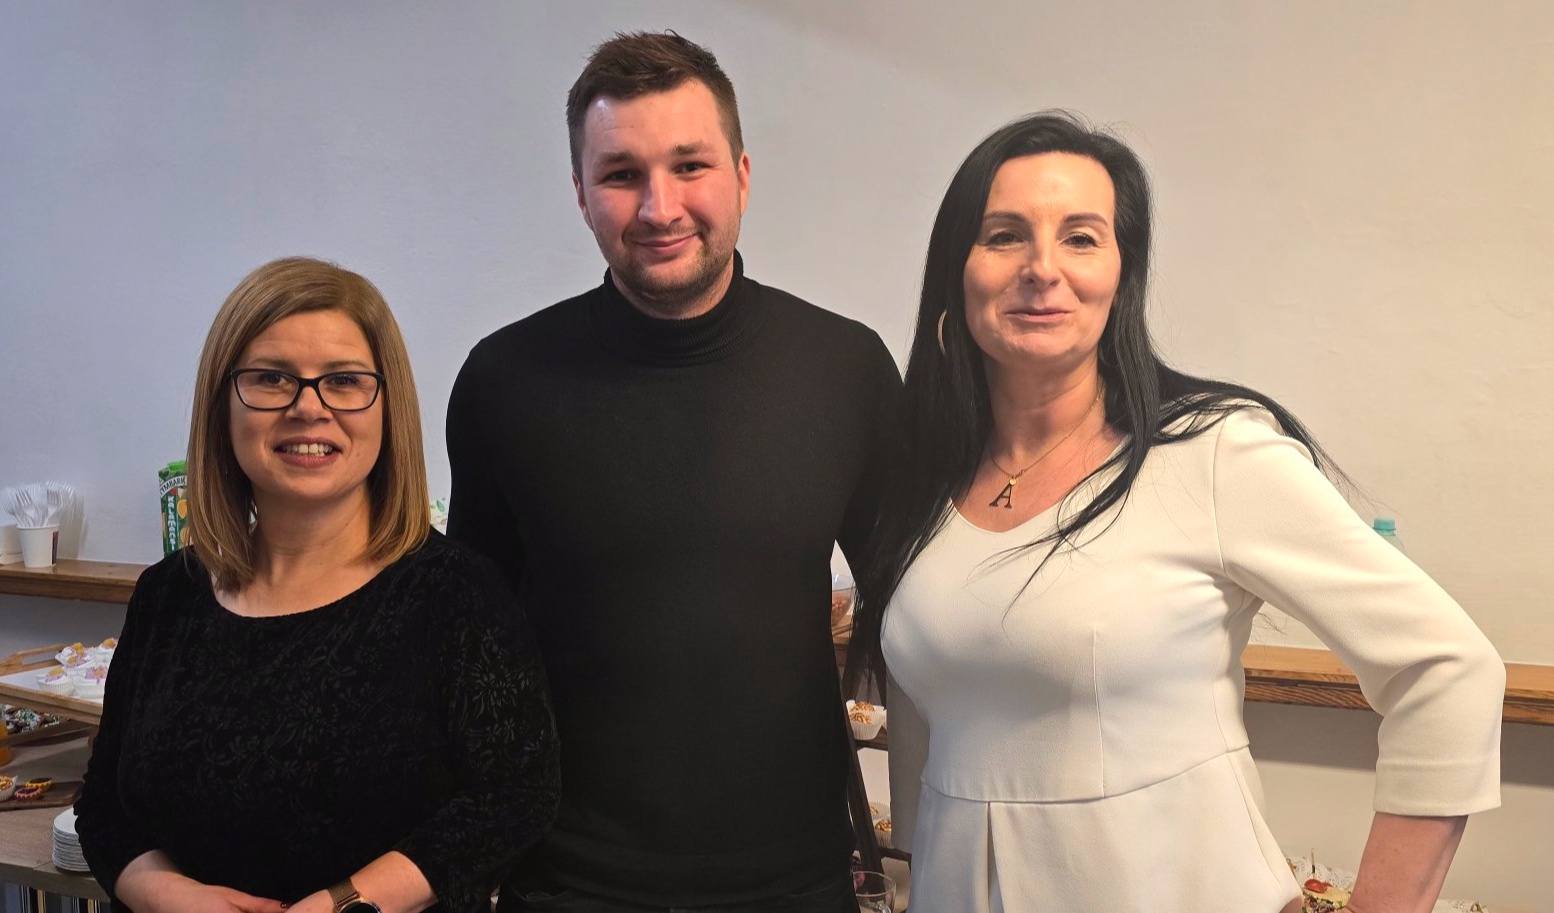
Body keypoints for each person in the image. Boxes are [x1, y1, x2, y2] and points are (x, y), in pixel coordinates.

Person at [849, 112, 1506, 913]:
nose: (1042, 268)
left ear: (1122, 273)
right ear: (957, 269)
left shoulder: (1213, 453)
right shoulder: (925, 481)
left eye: (1081, 238)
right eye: (1004, 236)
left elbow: (1449, 668)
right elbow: (929, 732)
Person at [446, 31, 900, 913]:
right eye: (621, 174)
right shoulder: (505, 380)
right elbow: (474, 647)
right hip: (568, 882)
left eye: (690, 165)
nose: (660, 207)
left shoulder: (845, 368)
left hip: (796, 880)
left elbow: (915, 602)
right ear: (580, 193)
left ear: (742, 175)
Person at [76, 257, 561, 913]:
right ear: (222, 404)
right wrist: (166, 894)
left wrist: (345, 903)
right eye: (271, 378)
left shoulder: (455, 593)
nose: (309, 407)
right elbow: (104, 804)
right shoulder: (169, 594)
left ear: (387, 407)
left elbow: (515, 795)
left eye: (344, 380)